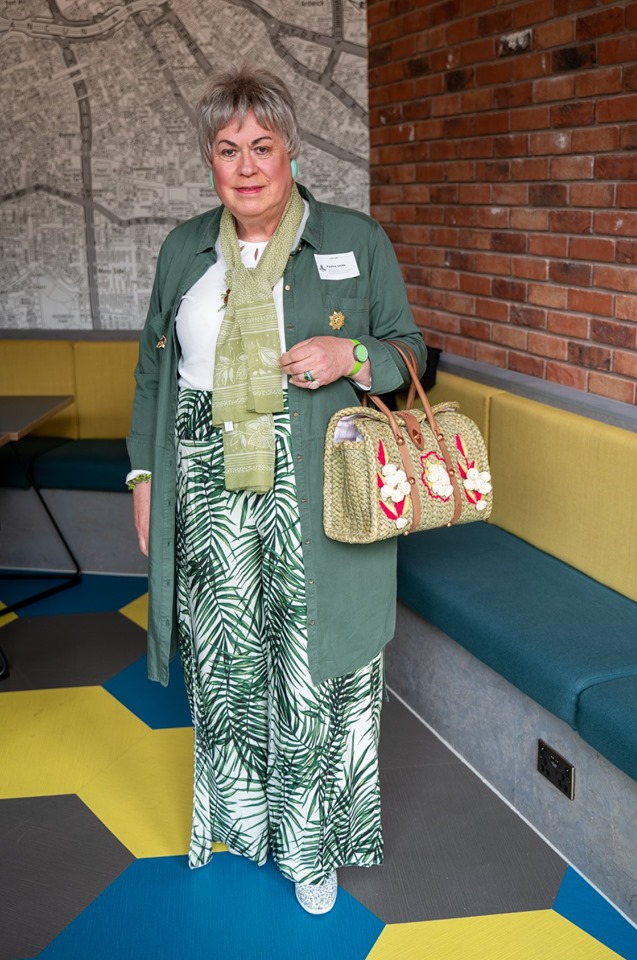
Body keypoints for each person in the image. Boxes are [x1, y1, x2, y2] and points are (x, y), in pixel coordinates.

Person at [127, 66, 427, 915]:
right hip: (205, 483)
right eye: (229, 150)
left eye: (263, 146)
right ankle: (242, 824)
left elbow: (408, 354)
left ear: (291, 150)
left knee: (310, 666)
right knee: (226, 665)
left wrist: (349, 356)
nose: (247, 165)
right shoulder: (183, 249)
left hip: (318, 485)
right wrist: (144, 479)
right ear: (211, 162)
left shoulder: (354, 239)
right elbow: (152, 372)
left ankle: (311, 848)